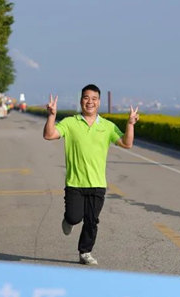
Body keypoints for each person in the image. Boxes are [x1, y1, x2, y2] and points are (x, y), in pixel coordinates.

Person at [43, 84, 139, 265]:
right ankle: (69, 220)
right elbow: (49, 135)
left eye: (94, 99)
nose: (90, 102)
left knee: (91, 221)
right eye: (86, 98)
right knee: (74, 217)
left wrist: (130, 124)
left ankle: (85, 252)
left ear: (99, 102)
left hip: (97, 183)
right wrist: (51, 115)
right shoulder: (70, 123)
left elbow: (127, 144)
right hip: (75, 183)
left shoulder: (107, 126)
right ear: (81, 100)